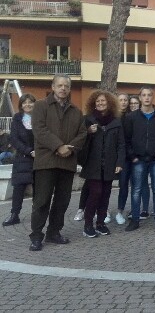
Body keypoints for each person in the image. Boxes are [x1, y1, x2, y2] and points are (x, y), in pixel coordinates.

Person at [29, 74, 87, 251]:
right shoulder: (40, 106)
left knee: (62, 201)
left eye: (66, 86)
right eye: (60, 85)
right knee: (42, 200)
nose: (63, 88)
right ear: (53, 87)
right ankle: (36, 236)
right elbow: (39, 130)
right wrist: (58, 146)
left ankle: (54, 232)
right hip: (46, 162)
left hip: (67, 163)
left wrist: (69, 148)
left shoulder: (76, 111)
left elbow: (82, 134)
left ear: (69, 89)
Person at [123, 86, 155, 232]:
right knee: (136, 190)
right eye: (143, 95)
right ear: (140, 98)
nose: (146, 98)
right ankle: (135, 220)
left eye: (149, 95)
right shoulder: (131, 117)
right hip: (138, 159)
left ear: (153, 97)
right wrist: (132, 157)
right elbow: (126, 140)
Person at [79, 90, 125, 238]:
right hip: (93, 164)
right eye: (97, 101)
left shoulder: (116, 121)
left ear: (109, 103)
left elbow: (121, 144)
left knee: (106, 194)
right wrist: (88, 132)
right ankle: (87, 224)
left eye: (103, 101)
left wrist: (119, 162)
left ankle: (100, 223)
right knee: (95, 193)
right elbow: (79, 141)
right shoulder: (88, 119)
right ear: (93, 103)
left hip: (109, 164)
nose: (100, 103)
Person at [115, 92, 150, 224]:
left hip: (137, 156)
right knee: (123, 184)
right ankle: (120, 210)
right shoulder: (120, 117)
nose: (125, 103)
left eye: (126, 100)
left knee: (140, 184)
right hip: (125, 157)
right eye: (122, 100)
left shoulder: (137, 117)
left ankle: (141, 210)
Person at [2, 94, 36, 227]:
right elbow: (14, 139)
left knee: (38, 188)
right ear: (21, 105)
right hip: (22, 158)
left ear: (34, 104)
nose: (27, 105)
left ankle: (37, 215)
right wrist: (29, 151)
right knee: (18, 188)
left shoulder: (39, 119)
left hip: (37, 158)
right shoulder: (17, 118)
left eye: (30, 102)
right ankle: (14, 215)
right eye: (24, 103)